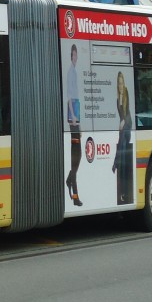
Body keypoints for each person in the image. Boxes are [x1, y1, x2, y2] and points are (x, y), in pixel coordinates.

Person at [65, 43, 83, 207]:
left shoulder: (74, 71)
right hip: (73, 114)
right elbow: (70, 97)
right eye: (73, 55)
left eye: (76, 55)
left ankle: (70, 179)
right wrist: (74, 117)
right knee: (76, 156)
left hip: (76, 112)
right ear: (71, 57)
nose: (75, 57)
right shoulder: (71, 72)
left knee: (78, 155)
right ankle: (75, 195)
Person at [113, 71, 134, 204]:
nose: (120, 86)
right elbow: (120, 117)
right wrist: (120, 124)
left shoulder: (126, 94)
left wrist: (123, 123)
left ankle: (115, 162)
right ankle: (124, 193)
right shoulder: (117, 99)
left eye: (122, 83)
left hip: (128, 124)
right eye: (119, 83)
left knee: (122, 141)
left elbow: (127, 114)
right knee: (123, 146)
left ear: (124, 83)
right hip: (123, 131)